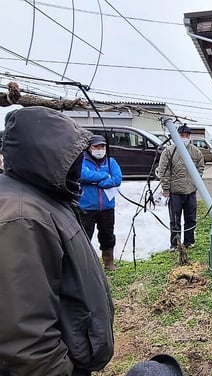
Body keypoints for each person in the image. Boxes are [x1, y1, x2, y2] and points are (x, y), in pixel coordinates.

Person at [0, 106, 114, 375]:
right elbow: (26, 337)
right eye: (70, 156)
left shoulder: (47, 196)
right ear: (44, 156)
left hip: (71, 353)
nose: (78, 164)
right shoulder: (22, 218)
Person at [79, 135, 123, 271]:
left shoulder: (111, 162)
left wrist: (99, 182)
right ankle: (83, 265)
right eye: (96, 147)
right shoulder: (82, 161)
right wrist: (104, 176)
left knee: (107, 235)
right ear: (89, 147)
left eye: (102, 146)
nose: (100, 149)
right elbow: (82, 175)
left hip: (107, 207)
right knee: (85, 236)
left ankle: (108, 262)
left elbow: (117, 179)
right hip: (87, 207)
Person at [158, 123, 205, 249]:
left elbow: (200, 167)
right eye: (181, 135)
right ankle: (175, 243)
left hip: (190, 191)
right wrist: (166, 189)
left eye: (186, 135)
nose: (184, 137)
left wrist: (196, 182)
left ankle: (189, 242)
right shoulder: (169, 151)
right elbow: (164, 171)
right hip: (175, 192)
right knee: (175, 219)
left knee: (191, 218)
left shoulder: (196, 152)